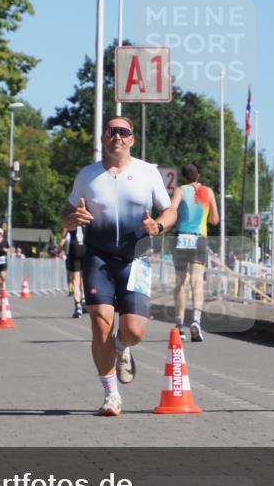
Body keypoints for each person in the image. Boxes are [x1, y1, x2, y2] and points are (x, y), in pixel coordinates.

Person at [61, 116, 176, 416]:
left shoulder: (147, 172)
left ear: (132, 139)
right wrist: (73, 220)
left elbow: (170, 210)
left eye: (123, 132)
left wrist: (159, 226)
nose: (117, 137)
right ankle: (111, 395)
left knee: (134, 331)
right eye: (112, 131)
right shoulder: (87, 175)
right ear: (102, 138)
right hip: (97, 257)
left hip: (137, 258)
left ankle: (123, 348)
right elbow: (65, 214)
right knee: (100, 323)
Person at [169, 164, 219, 342]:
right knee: (197, 282)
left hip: (182, 237)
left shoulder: (180, 191)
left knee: (180, 282)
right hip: (199, 238)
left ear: (184, 177)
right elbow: (215, 219)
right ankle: (196, 321)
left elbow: (172, 210)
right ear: (199, 175)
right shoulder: (209, 192)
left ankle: (180, 325)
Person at [60, 228, 86, 318]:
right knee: (83, 278)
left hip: (74, 248)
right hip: (85, 248)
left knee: (75, 280)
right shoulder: (87, 219)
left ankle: (78, 306)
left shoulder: (72, 219)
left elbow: (63, 235)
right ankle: (83, 299)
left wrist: (59, 247)